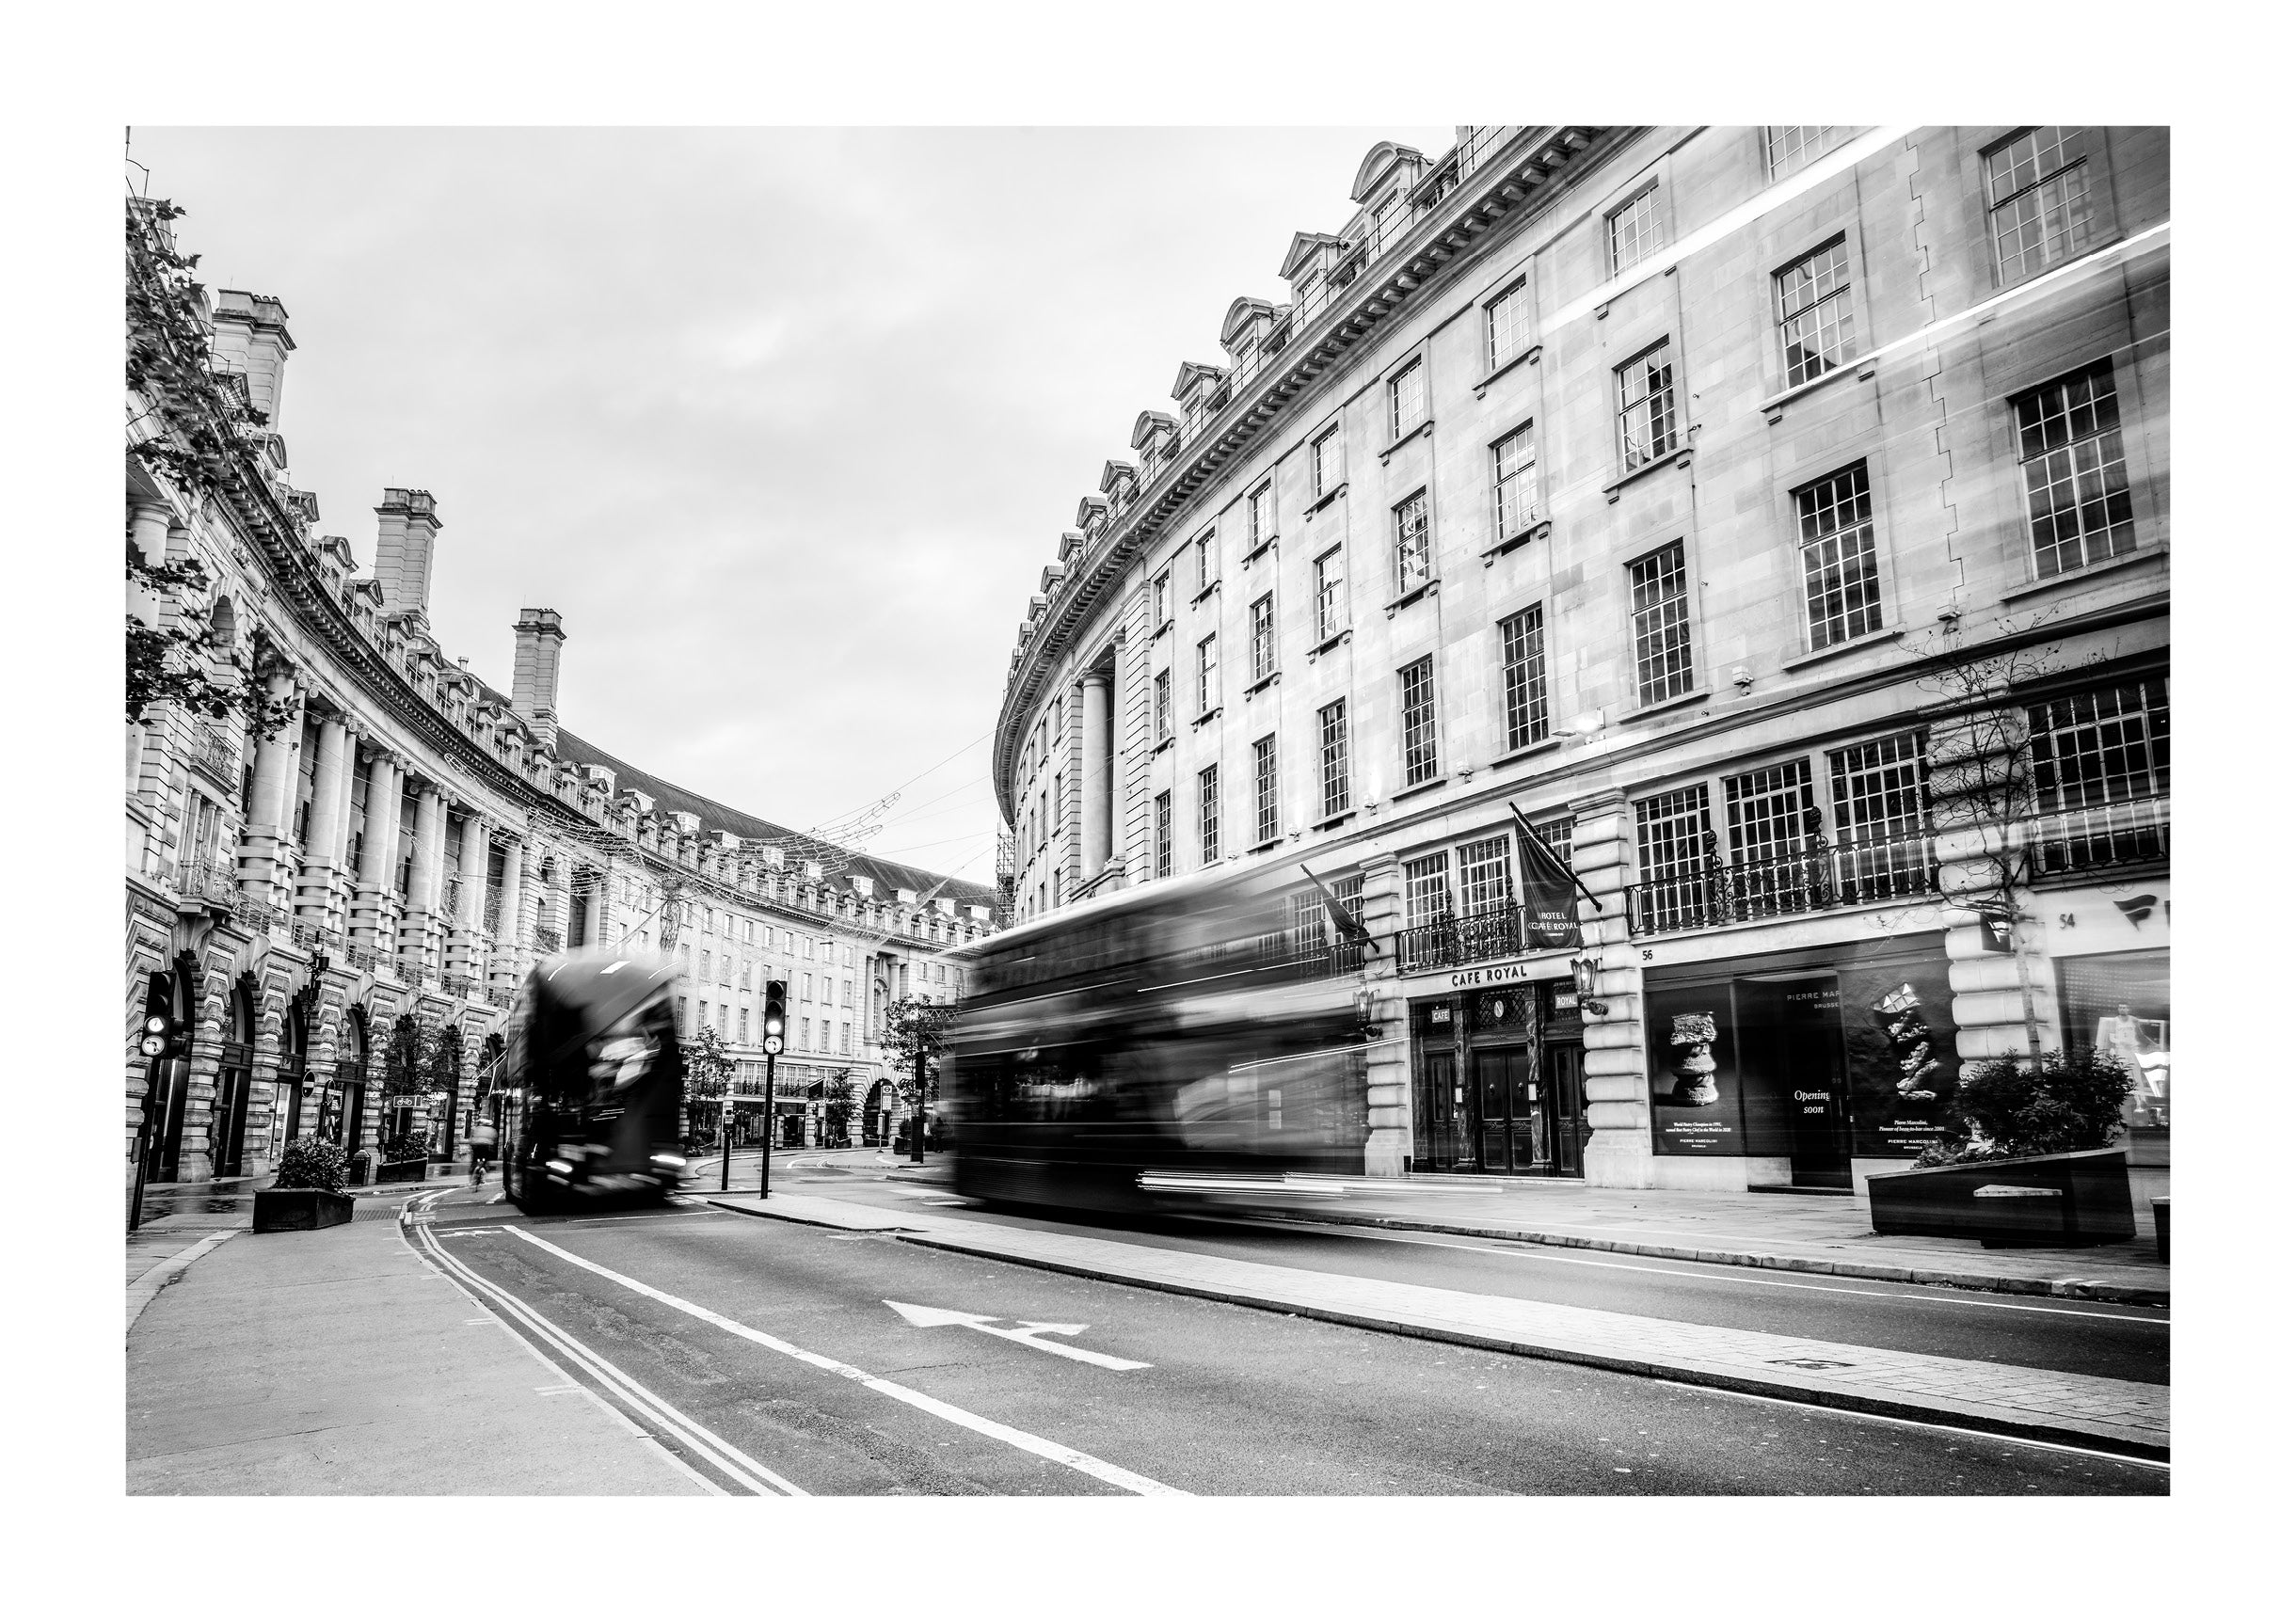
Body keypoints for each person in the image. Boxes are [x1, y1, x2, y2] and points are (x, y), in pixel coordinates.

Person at [468, 1117, 499, 1185]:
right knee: (486, 1161)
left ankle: (472, 1177)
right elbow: (495, 1139)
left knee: (474, 1160)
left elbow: (471, 1138)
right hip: (487, 1147)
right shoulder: (492, 1130)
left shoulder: (476, 1128)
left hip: (476, 1146)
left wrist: (471, 1145)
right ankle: (483, 1177)